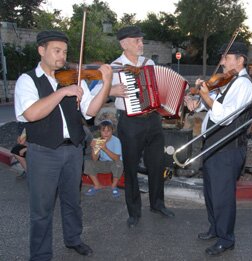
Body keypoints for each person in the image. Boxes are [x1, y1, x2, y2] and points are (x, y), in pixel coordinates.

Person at [14, 30, 113, 260]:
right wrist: (64, 92)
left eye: (65, 52)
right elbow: (31, 113)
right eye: (56, 51)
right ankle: (40, 255)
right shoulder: (27, 80)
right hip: (43, 152)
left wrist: (106, 83)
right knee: (41, 209)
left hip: (73, 150)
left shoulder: (73, 77)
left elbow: (90, 111)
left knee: (72, 201)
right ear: (41, 50)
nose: (62, 56)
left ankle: (73, 239)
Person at [184, 42, 252, 256]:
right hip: (214, 145)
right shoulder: (228, 81)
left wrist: (205, 96)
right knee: (211, 192)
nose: (222, 62)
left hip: (228, 147)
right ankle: (215, 228)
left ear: (240, 60)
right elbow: (212, 103)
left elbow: (226, 116)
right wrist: (196, 101)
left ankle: (226, 238)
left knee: (223, 195)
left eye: (226, 57)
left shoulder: (244, 85)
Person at [108, 26, 175, 227]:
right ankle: (134, 212)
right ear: (123, 43)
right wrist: (113, 90)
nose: (141, 44)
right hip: (130, 122)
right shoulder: (114, 67)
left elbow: (158, 88)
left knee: (157, 164)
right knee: (130, 167)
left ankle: (157, 203)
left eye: (141, 40)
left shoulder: (149, 63)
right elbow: (99, 93)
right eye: (136, 40)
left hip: (153, 119)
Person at [84, 120, 123, 198]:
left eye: (108, 131)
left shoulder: (116, 140)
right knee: (88, 163)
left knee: (119, 163)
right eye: (103, 131)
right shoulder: (98, 140)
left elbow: (116, 158)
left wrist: (105, 149)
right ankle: (97, 185)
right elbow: (94, 159)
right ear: (100, 131)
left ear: (112, 131)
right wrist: (94, 149)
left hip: (113, 163)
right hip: (103, 164)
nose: (106, 133)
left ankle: (113, 186)